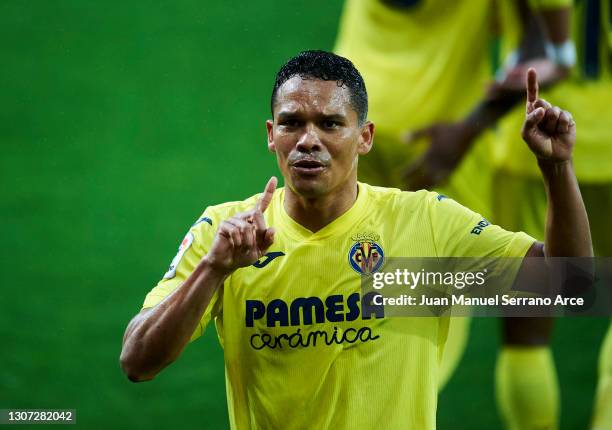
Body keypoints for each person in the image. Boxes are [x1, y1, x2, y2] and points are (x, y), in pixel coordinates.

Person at [120, 50, 592, 429]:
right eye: (291, 123)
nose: (308, 140)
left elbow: (567, 284)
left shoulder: (422, 222)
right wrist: (213, 269)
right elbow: (138, 360)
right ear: (271, 135)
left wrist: (555, 167)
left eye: (329, 124)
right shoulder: (226, 231)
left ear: (364, 137)